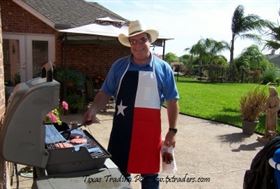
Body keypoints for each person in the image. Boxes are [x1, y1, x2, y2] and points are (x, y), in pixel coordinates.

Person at [83, 20, 179, 189]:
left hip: (149, 133)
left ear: (150, 41)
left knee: (150, 177)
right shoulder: (119, 66)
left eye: (142, 40)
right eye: (133, 41)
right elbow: (105, 92)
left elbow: (172, 100)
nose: (137, 45)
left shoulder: (164, 69)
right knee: (119, 175)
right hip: (122, 130)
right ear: (129, 45)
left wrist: (172, 131)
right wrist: (93, 109)